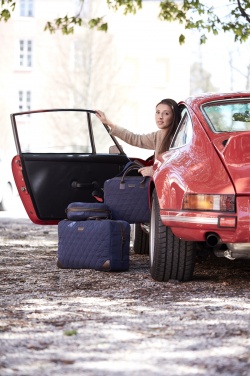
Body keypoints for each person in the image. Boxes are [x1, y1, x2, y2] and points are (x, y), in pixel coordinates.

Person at [95, 98, 181, 177]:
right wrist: (109, 123)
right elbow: (135, 139)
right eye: (158, 112)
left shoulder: (179, 139)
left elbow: (177, 169)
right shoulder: (157, 136)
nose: (160, 116)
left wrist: (153, 171)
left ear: (174, 117)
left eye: (166, 113)